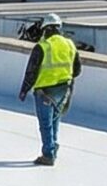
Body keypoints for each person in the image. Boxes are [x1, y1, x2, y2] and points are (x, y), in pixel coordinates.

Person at [14, 15, 79, 165]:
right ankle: (53, 147)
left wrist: (24, 90)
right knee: (55, 119)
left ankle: (48, 154)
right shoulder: (70, 44)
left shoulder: (42, 46)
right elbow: (77, 69)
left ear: (45, 29)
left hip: (44, 91)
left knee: (45, 123)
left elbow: (32, 71)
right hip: (63, 89)